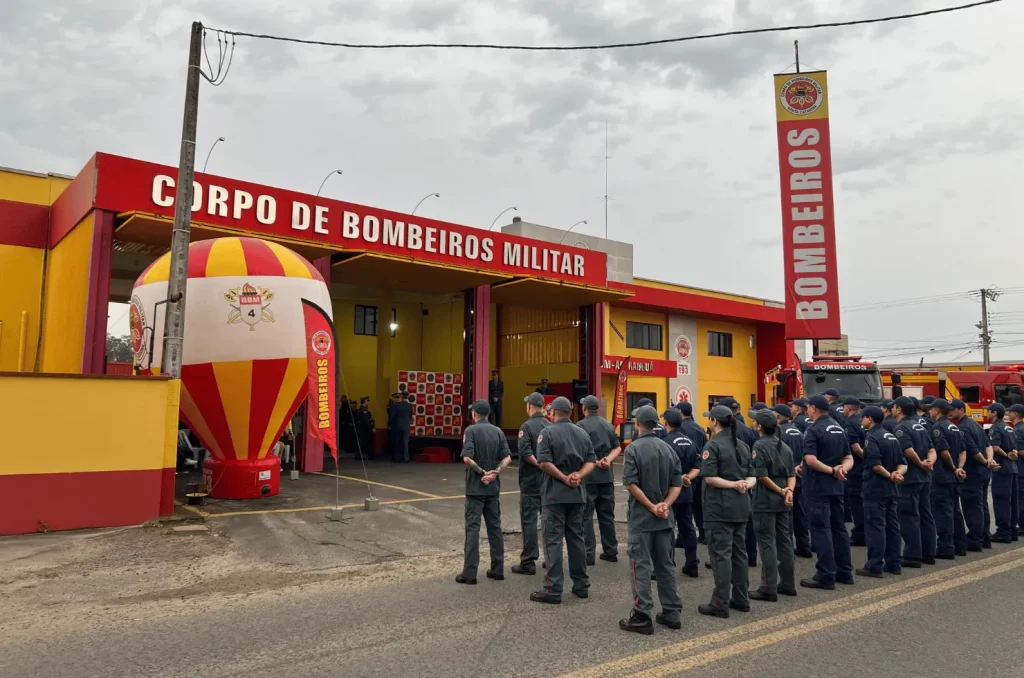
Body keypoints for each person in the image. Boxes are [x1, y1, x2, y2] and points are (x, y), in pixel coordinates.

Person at [618, 405, 684, 635]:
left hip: (642, 518)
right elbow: (678, 483)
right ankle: (672, 611)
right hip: (665, 518)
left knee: (640, 566)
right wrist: (665, 504)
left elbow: (630, 483)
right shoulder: (668, 449)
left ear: (637, 425)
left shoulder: (633, 449)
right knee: (665, 566)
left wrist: (650, 506)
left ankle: (642, 613)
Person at [531, 396, 596, 604]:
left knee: (553, 541)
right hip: (577, 495)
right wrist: (578, 475)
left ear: (553, 413)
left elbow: (544, 462)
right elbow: (591, 461)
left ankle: (553, 588)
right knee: (576, 539)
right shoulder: (582, 433)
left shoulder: (547, 433)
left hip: (554, 495)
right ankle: (581, 585)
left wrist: (563, 478)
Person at [697, 405, 756, 619]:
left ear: (714, 421)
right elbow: (752, 475)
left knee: (721, 555)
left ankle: (720, 603)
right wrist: (743, 485)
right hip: (741, 506)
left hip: (719, 508)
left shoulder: (712, 446)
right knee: (739, 553)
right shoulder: (741, 445)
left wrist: (732, 485)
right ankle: (741, 599)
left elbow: (709, 477)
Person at [800, 395, 854, 589]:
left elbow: (811, 460)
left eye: (807, 407)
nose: (806, 410)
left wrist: (832, 470)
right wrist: (842, 469)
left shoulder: (813, 429)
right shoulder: (839, 428)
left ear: (813, 408)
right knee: (839, 528)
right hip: (836, 487)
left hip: (818, 487)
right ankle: (844, 571)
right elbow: (848, 457)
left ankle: (826, 574)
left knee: (821, 529)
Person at [457, 400, 512, 585]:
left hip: (475, 487)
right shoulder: (498, 431)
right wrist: (495, 472)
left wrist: (482, 472)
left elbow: (467, 458)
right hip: (493, 488)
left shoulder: (470, 431)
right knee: (494, 528)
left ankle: (470, 573)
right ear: (487, 414)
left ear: (475, 414)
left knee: (473, 529)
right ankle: (498, 569)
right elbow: (507, 458)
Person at [749, 408, 797, 602]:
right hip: (783, 499)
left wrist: (781, 490)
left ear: (760, 426)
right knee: (784, 541)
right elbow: (791, 474)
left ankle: (768, 587)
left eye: (755, 422)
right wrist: (789, 491)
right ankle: (788, 583)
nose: (753, 423)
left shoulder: (759, 445)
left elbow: (761, 476)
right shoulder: (784, 446)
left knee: (767, 542)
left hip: (766, 500)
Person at [857, 405, 905, 578]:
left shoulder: (872, 437)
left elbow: (876, 465)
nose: (861, 420)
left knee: (875, 527)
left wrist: (890, 476)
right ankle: (894, 563)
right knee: (893, 527)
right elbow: (903, 462)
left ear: (870, 419)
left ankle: (874, 565)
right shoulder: (891, 436)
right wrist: (897, 474)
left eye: (863, 417)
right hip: (892, 489)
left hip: (876, 488)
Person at [577, 395, 622, 564]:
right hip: (606, 476)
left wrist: (594, 462)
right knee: (607, 515)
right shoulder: (607, 424)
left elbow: (579, 452)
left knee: (587, 516)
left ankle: (589, 554)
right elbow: (617, 447)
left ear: (585, 408)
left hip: (589, 477)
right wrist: (607, 460)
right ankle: (611, 551)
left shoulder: (580, 426)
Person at [892, 395, 934, 568]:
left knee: (909, 516)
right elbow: (932, 449)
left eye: (894, 406)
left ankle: (912, 555)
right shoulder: (920, 425)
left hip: (911, 478)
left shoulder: (901, 428)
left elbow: (908, 451)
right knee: (925, 513)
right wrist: (929, 462)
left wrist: (920, 464)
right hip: (925, 477)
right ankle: (929, 553)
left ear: (899, 409)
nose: (892, 409)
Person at [512, 392, 551, 575]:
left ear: (530, 406)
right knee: (548, 520)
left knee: (529, 521)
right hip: (548, 481)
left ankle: (528, 561)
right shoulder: (550, 426)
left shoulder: (526, 427)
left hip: (530, 482)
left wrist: (539, 464)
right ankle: (551, 558)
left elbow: (525, 452)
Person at [721, 397, 759, 568]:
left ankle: (729, 556)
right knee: (747, 519)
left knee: (727, 524)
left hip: (728, 482)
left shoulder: (724, 433)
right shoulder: (748, 431)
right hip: (746, 480)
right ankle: (750, 555)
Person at [950, 398, 993, 552]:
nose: (950, 412)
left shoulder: (963, 428)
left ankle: (975, 540)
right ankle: (984, 537)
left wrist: (984, 462)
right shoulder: (975, 424)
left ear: (961, 409)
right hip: (983, 472)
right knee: (982, 505)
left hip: (973, 471)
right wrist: (989, 460)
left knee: (972, 507)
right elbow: (988, 445)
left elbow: (972, 451)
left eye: (953, 409)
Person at [663, 408, 701, 577]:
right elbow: (697, 466)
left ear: (666, 423)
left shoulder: (664, 442)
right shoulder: (689, 441)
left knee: (667, 530)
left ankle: (668, 564)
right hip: (686, 491)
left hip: (670, 492)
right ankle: (692, 563)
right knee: (688, 528)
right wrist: (688, 477)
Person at [929, 399, 966, 559]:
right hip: (954, 476)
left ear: (937, 410)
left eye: (931, 409)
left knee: (943, 512)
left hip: (943, 475)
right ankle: (960, 545)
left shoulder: (938, 427)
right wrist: (959, 468)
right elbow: (963, 451)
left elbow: (943, 452)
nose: (930, 412)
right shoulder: (955, 427)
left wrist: (952, 468)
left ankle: (945, 547)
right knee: (955, 511)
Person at [776, 404, 812, 558]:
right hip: (800, 476)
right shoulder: (798, 430)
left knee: (786, 515)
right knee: (801, 514)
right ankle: (804, 546)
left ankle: (787, 548)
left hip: (786, 479)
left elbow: (779, 457)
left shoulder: (779, 432)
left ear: (777, 416)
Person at [676, 401, 708, 544]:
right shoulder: (700, 428)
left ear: (680, 412)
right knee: (698, 504)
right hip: (699, 470)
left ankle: (683, 537)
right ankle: (703, 532)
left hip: (684, 473)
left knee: (684, 505)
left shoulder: (680, 428)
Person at [987, 402, 1018, 544]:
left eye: (989, 411)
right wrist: (1012, 455)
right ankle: (1012, 530)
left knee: (1001, 501)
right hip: (1012, 468)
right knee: (1012, 500)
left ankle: (1003, 532)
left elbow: (995, 446)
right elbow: (1015, 448)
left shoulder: (996, 427)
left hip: (1001, 468)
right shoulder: (1009, 428)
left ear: (994, 413)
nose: (987, 413)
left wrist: (1005, 455)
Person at [842, 397, 867, 546]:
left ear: (849, 408)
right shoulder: (863, 420)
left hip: (857, 469)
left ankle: (860, 534)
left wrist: (867, 459)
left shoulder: (850, 423)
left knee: (857, 504)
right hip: (866, 469)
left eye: (844, 407)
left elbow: (855, 447)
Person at [1010, 404, 1024, 540]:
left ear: (1016, 414)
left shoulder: (1018, 430)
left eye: (1011, 412)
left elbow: (1020, 450)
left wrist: (1012, 453)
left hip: (1020, 469)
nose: (1008, 414)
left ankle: (1022, 526)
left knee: (1020, 499)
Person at [387, 392, 413, 463]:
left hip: (397, 426)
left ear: (401, 396)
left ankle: (398, 458)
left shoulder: (395, 406)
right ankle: (406, 458)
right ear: (407, 397)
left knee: (397, 442)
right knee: (405, 443)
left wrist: (389, 424)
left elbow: (391, 417)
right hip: (406, 426)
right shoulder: (410, 406)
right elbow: (410, 416)